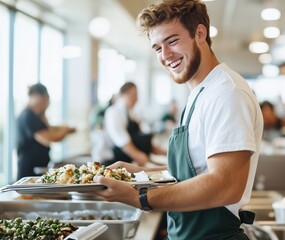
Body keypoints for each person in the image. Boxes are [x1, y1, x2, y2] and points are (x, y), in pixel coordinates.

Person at [94, 1, 263, 239]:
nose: (165, 56)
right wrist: (140, 175)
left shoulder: (226, 93)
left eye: (172, 41)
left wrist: (139, 197)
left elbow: (227, 185)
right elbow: (195, 171)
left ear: (200, 33)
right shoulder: (200, 93)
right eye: (157, 48)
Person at [16, 83, 75, 179]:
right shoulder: (28, 116)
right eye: (46, 100)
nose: (47, 103)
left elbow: (49, 129)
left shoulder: (36, 115)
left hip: (38, 167)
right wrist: (65, 130)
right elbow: (48, 138)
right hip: (30, 169)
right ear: (37, 97)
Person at [104, 82, 165, 166]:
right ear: (125, 94)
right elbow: (122, 141)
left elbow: (142, 138)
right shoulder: (113, 112)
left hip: (133, 162)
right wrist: (140, 157)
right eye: (134, 95)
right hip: (118, 162)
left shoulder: (131, 113)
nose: (136, 99)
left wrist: (165, 154)